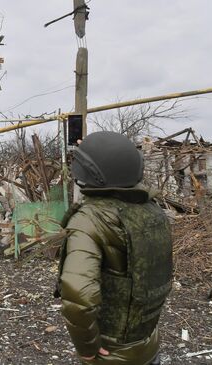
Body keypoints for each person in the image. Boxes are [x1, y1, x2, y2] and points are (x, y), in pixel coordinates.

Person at [55, 131, 173, 365]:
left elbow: (79, 298)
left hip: (112, 352)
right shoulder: (152, 211)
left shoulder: (89, 219)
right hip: (148, 341)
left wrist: (87, 347)